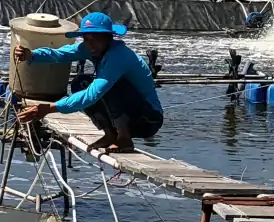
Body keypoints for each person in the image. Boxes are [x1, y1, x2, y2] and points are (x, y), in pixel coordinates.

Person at [13, 12, 163, 153]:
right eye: (86, 39)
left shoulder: (118, 57)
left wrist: (46, 109)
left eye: (96, 38)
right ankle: (110, 133)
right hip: (128, 115)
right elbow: (61, 54)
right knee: (81, 82)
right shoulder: (92, 49)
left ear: (108, 37)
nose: (91, 45)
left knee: (109, 86)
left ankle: (124, 138)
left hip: (148, 119)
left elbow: (92, 96)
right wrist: (32, 55)